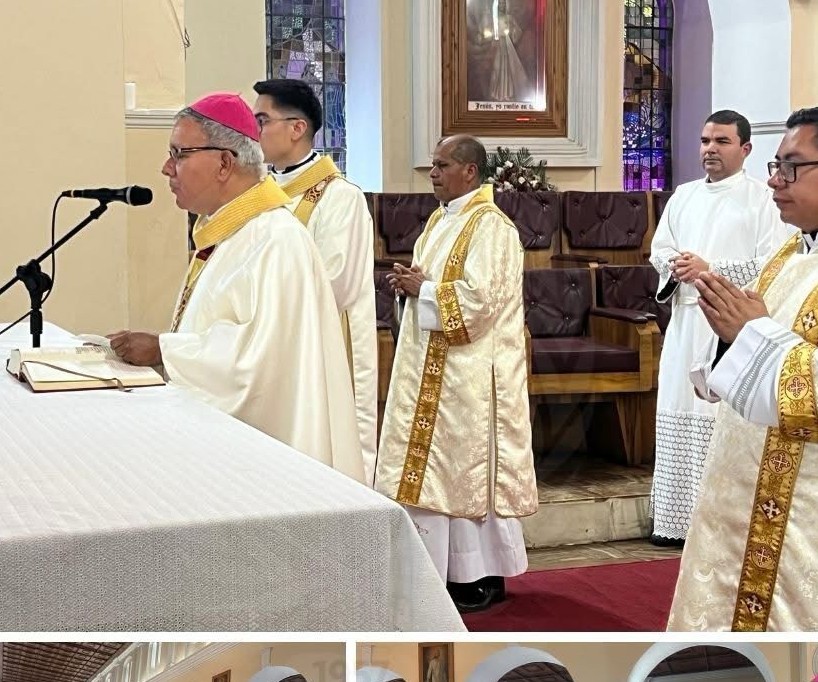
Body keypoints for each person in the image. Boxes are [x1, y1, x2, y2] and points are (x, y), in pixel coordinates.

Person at [670, 105, 818, 631]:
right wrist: (732, 339)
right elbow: (742, 353)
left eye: (792, 167)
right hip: (742, 495)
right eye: (775, 164)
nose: (774, 180)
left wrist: (751, 334)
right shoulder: (790, 253)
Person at [108, 93, 362, 481]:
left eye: (179, 154)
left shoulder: (275, 240)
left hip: (268, 473)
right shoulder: (231, 235)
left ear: (225, 163)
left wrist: (163, 350)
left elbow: (258, 368)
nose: (166, 168)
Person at [375, 134, 537, 613]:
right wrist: (410, 287)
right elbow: (437, 288)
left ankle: (477, 574)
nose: (433, 173)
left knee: (461, 475)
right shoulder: (439, 222)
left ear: (469, 171)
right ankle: (439, 570)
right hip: (430, 366)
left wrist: (425, 288)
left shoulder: (491, 228)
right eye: (432, 165)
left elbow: (481, 302)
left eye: (442, 165)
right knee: (432, 476)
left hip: (471, 374)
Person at [648, 109, 791, 546]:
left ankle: (717, 524)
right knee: (677, 410)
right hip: (686, 319)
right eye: (706, 140)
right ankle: (672, 521)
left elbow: (771, 262)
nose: (710, 149)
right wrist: (677, 266)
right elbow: (660, 247)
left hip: (730, 325)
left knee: (717, 417)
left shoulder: (762, 199)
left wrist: (711, 269)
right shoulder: (684, 195)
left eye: (722, 141)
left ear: (746, 149)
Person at [254, 78, 378, 482]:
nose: (255, 132)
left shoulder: (340, 197)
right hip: (267, 345)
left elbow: (334, 281)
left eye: (262, 120)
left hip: (320, 347)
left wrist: (262, 304)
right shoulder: (260, 195)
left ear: (297, 128)